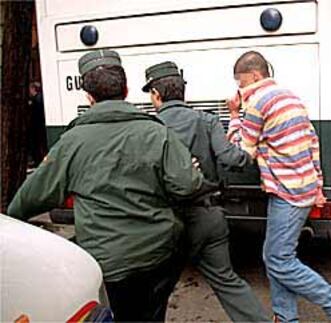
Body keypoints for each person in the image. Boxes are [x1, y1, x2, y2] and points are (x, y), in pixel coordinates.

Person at [7, 50, 204, 322]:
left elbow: (28, 200)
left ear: (88, 96)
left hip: (109, 264)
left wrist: (9, 225)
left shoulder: (71, 142)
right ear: (126, 90)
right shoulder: (157, 132)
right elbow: (188, 185)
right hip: (159, 255)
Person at [226, 51, 331, 323]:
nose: (239, 90)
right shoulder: (291, 98)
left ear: (254, 76)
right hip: (303, 188)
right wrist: (318, 187)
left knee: (278, 259)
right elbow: (312, 143)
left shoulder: (257, 104)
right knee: (278, 256)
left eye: (240, 83)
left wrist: (233, 114)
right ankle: (285, 317)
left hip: (287, 193)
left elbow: (242, 151)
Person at [141, 61, 271, 323]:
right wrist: (252, 152)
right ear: (182, 91)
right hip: (208, 216)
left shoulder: (147, 127)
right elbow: (232, 159)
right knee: (227, 282)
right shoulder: (207, 120)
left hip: (167, 224)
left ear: (156, 94)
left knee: (154, 292)